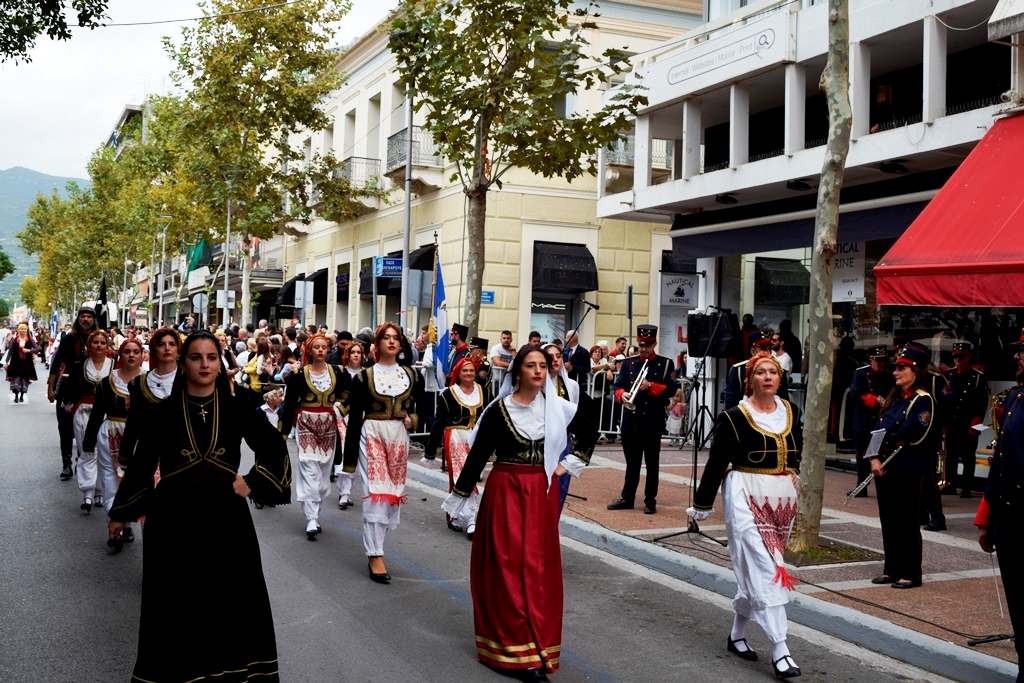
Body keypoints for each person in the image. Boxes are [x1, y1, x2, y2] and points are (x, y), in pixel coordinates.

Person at [107, 331, 291, 683]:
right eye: (195, 357)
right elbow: (143, 464)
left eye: (211, 357)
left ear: (218, 363)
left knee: (231, 602)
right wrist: (120, 512)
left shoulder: (237, 407)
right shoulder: (162, 411)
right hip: (173, 518)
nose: (204, 364)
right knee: (177, 605)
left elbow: (273, 446)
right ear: (183, 363)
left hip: (227, 518)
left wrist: (250, 481)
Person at [441, 345, 598, 680]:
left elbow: (589, 434)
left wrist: (563, 467)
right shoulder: (500, 410)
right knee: (508, 567)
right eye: (531, 365)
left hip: (541, 494)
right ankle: (512, 649)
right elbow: (479, 455)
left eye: (543, 365)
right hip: (506, 492)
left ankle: (537, 642)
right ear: (517, 372)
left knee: (537, 569)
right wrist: (458, 499)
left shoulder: (558, 407)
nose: (539, 371)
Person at [687, 352, 803, 679]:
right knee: (766, 568)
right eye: (761, 372)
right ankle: (781, 649)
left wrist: (793, 469)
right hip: (744, 494)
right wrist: (702, 504)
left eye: (773, 372)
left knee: (755, 570)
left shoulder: (792, 410)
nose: (768, 377)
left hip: (781, 503)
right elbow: (716, 462)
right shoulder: (735, 416)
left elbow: (798, 445)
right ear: (749, 379)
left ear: (780, 379)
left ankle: (737, 633)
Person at [342, 323, 426, 583]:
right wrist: (348, 461)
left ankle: (377, 545)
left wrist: (414, 418)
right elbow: (355, 417)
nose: (391, 342)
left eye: (396, 338)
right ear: (376, 345)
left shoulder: (412, 375)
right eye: (386, 338)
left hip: (399, 437)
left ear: (401, 344)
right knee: (376, 493)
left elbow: (425, 411)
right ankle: (375, 554)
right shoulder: (364, 378)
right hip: (373, 435)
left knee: (392, 494)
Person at [976, 327, 1024, 681]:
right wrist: (987, 514)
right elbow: (1001, 459)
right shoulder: (1015, 398)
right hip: (1010, 517)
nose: (1018, 356)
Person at [870, 343, 935, 590]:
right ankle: (892, 569)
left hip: (907, 466)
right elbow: (876, 429)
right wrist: (873, 458)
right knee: (889, 520)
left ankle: (910, 572)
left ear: (915, 372)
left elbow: (909, 432)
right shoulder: (894, 397)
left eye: (901, 368)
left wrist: (887, 436)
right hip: (884, 466)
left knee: (907, 520)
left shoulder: (923, 400)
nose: (896, 372)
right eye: (896, 368)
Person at [606, 325, 678, 515]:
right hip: (632, 420)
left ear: (654, 344)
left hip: (652, 421)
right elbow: (618, 385)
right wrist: (622, 395)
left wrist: (650, 386)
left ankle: (650, 500)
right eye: (641, 345)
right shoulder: (629, 363)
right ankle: (627, 497)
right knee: (632, 463)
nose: (643, 349)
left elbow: (671, 388)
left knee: (652, 464)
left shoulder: (665, 364)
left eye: (647, 345)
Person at [82, 337, 144, 551]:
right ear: (120, 355)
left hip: (140, 437)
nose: (132, 355)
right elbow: (97, 413)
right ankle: (119, 525)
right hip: (110, 433)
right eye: (127, 351)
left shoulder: (149, 381)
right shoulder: (107, 382)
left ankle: (125, 521)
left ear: (142, 355)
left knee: (132, 482)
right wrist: (88, 444)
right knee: (111, 482)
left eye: (136, 351)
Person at [280, 334, 344, 540]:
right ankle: (311, 518)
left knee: (324, 472)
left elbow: (350, 395)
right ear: (310, 349)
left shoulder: (338, 372)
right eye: (316, 347)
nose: (320, 350)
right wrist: (282, 432)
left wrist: (341, 409)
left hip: (328, 425)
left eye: (324, 347)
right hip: (306, 422)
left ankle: (315, 512)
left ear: (328, 350)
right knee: (308, 467)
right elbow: (289, 403)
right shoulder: (299, 374)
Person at [424, 357, 485, 534]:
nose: (468, 373)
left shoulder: (482, 391)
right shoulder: (449, 394)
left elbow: (488, 418)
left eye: (471, 370)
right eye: (465, 370)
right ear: (458, 373)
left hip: (475, 440)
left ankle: (454, 514)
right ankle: (471, 519)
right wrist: (430, 451)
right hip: (455, 437)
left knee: (469, 477)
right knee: (462, 477)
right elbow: (438, 423)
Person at [48, 307, 96, 480]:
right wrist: (50, 387)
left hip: (91, 391)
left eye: (89, 316)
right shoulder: (69, 339)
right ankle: (67, 464)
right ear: (78, 319)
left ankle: (82, 461)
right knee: (65, 427)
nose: (85, 319)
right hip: (68, 390)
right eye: (82, 316)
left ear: (93, 319)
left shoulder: (99, 339)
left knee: (89, 429)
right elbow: (56, 363)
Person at [71, 329, 114, 512]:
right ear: (90, 345)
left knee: (104, 453)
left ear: (107, 346)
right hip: (83, 411)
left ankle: (99, 491)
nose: (99, 345)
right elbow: (72, 387)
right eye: (95, 342)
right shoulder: (81, 365)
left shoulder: (115, 365)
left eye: (102, 342)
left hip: (107, 413)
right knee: (87, 450)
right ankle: (88, 493)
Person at [942, 341, 989, 498]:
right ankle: (951, 485)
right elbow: (944, 399)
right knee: (951, 455)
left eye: (961, 357)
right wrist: (943, 422)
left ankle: (967, 488)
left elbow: (982, 402)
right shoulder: (949, 375)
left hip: (969, 421)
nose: (958, 360)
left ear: (969, 357)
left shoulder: (978, 377)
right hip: (952, 421)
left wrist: (977, 423)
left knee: (968, 456)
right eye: (956, 357)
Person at [848, 345, 895, 496]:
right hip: (864, 420)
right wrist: (874, 400)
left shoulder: (890, 376)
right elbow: (854, 394)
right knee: (861, 457)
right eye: (878, 361)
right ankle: (861, 486)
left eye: (884, 361)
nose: (881, 365)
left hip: (881, 420)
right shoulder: (860, 373)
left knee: (880, 454)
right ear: (871, 360)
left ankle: (883, 486)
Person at [333, 342, 365, 510]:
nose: (356, 355)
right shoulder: (340, 372)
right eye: (352, 352)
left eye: (359, 352)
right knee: (345, 448)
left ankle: (346, 491)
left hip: (360, 415)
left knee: (356, 453)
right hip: (341, 414)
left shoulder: (367, 374)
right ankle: (343, 491)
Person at [724, 331, 790, 409]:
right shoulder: (738, 370)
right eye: (763, 349)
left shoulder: (778, 371)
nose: (768, 353)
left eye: (769, 349)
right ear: (753, 351)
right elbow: (730, 402)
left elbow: (784, 400)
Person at [4, 322, 39, 402]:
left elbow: (37, 349)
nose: (23, 330)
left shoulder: (30, 339)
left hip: (26, 362)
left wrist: (28, 350)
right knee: (16, 378)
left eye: (25, 329)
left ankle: (22, 395)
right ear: (19, 330)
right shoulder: (15, 340)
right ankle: (16, 395)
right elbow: (10, 351)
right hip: (16, 362)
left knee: (25, 378)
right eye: (22, 329)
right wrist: (6, 362)